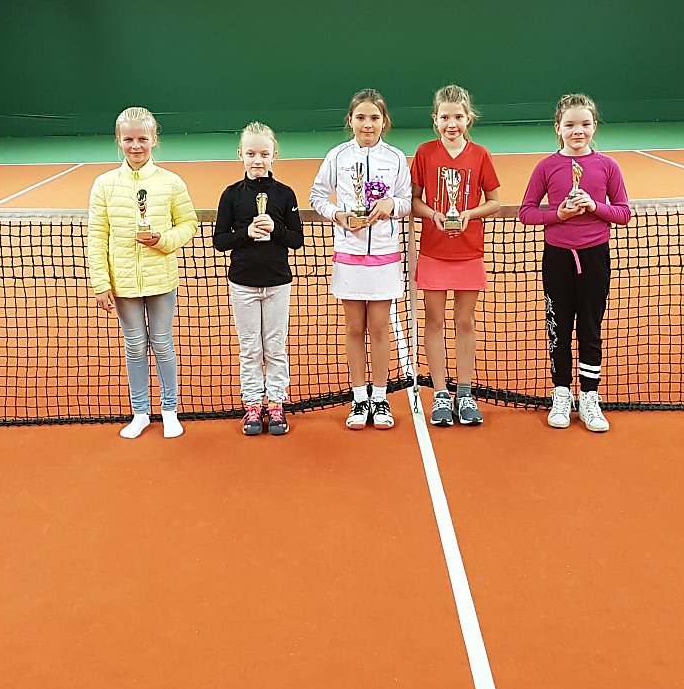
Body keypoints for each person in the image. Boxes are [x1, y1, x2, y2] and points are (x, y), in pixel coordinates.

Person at [518, 93, 631, 433]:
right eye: (570, 125)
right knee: (559, 328)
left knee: (590, 329)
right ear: (558, 128)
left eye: (584, 124)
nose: (577, 131)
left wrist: (594, 206)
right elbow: (527, 212)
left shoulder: (608, 166)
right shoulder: (546, 167)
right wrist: (560, 214)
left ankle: (590, 397)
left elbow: (623, 213)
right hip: (558, 258)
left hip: (595, 257)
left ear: (595, 126)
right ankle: (562, 393)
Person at [88, 106, 199, 440]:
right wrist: (101, 282)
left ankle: (169, 411)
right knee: (135, 347)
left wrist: (162, 241)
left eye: (142, 139)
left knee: (162, 344)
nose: (135, 146)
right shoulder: (104, 185)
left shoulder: (171, 182)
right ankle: (140, 413)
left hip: (161, 280)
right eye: (128, 139)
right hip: (123, 283)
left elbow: (189, 224)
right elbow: (97, 236)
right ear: (119, 141)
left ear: (154, 140)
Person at [309, 89, 412, 429]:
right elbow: (317, 196)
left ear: (384, 121)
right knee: (354, 328)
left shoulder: (396, 158)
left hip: (384, 254)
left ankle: (380, 398)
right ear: (350, 120)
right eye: (361, 117)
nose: (368, 124)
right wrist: (338, 215)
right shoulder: (337, 156)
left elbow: (407, 200)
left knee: (379, 327)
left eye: (374, 118)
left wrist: (392, 205)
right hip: (349, 255)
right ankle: (358, 398)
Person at [409, 85, 502, 427]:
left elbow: (494, 201)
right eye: (445, 117)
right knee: (434, 322)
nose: (452, 124)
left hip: (469, 252)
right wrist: (434, 214)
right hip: (433, 252)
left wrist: (468, 215)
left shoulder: (480, 155)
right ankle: (440, 394)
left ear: (468, 118)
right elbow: (414, 201)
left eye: (458, 117)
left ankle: (464, 393)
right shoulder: (424, 153)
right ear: (435, 119)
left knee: (465, 322)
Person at [212, 122, 305, 436]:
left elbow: (296, 239)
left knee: (275, 347)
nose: (257, 160)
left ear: (274, 155)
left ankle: (276, 402)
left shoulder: (285, 194)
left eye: (264, 154)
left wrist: (275, 230)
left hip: (278, 283)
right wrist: (246, 233)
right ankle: (252, 403)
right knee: (250, 347)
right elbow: (220, 241)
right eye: (251, 153)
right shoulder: (231, 195)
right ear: (240, 154)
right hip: (243, 284)